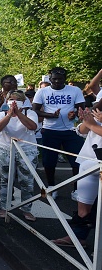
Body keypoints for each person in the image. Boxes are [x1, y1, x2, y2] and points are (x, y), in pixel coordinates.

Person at [52, 107, 102, 247]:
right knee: (83, 205)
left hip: (95, 166)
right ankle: (78, 237)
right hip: (89, 164)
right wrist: (88, 120)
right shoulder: (99, 112)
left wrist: (93, 125)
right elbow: (81, 131)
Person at [32, 67, 85, 199]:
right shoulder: (42, 91)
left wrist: (75, 115)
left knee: (77, 162)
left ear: (64, 79)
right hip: (50, 130)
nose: (57, 81)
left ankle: (76, 190)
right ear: (50, 79)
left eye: (60, 79)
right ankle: (51, 187)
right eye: (54, 79)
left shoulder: (75, 90)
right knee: (49, 162)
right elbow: (35, 110)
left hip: (71, 131)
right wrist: (50, 115)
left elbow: (81, 108)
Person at [0, 91, 39, 221]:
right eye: (11, 99)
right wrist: (9, 115)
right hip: (5, 149)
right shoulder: (1, 114)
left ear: (23, 102)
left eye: (17, 100)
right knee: (5, 179)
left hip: (27, 150)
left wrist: (18, 113)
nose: (14, 102)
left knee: (27, 181)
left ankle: (26, 209)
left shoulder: (30, 113)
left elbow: (32, 126)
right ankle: (4, 207)